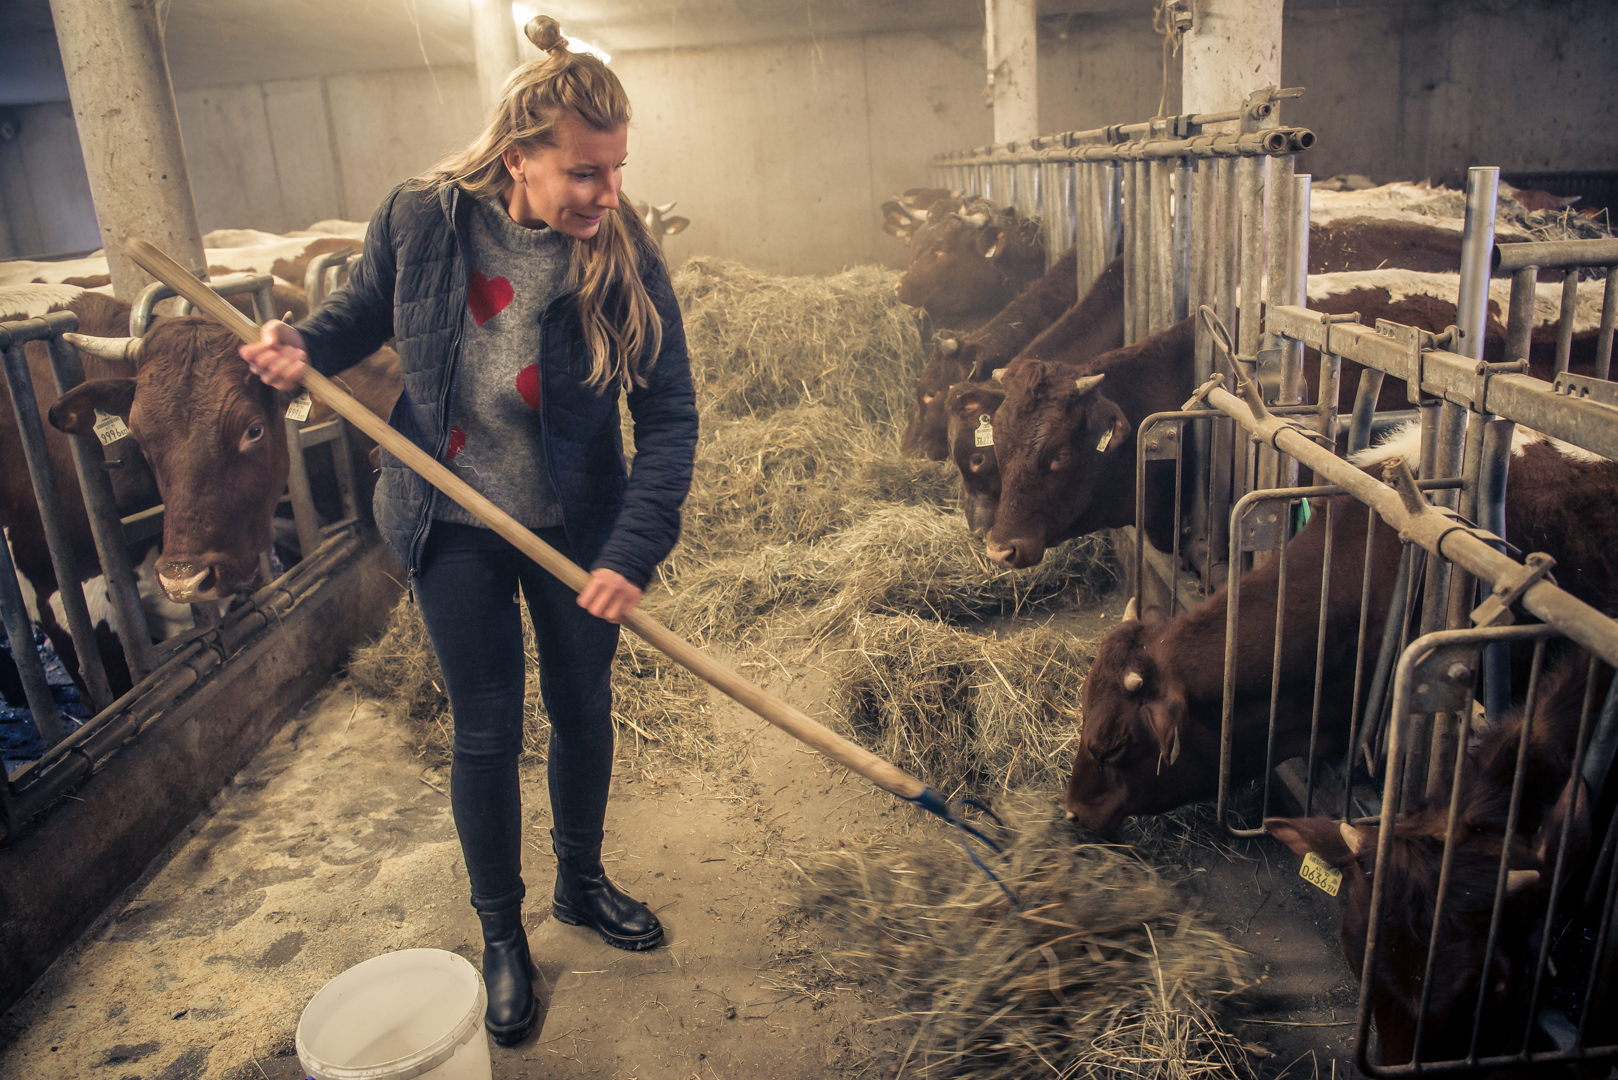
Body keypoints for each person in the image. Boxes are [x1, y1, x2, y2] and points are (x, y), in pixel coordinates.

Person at [241, 15, 697, 1047]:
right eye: (585, 173)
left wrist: (629, 552)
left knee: (582, 707)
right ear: (519, 155)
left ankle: (580, 885)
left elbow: (670, 420)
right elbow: (360, 315)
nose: (606, 195)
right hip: (449, 514)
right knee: (486, 728)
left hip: (576, 524)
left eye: (617, 170)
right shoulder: (421, 219)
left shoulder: (626, 258)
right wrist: (295, 343)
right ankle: (503, 937)